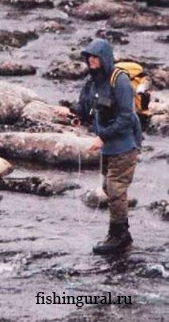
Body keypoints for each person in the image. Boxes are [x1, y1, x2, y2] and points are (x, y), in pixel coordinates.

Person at [58, 39, 141, 255]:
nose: (92, 61)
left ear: (105, 58)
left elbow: (126, 118)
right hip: (108, 148)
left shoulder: (120, 81)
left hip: (125, 146)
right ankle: (122, 233)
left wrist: (102, 137)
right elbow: (85, 109)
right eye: (89, 58)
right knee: (108, 187)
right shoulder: (91, 82)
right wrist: (70, 112)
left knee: (115, 189)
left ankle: (119, 236)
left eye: (96, 57)